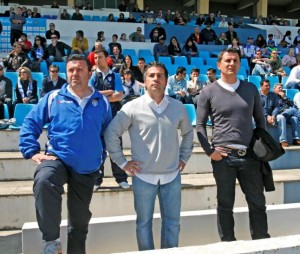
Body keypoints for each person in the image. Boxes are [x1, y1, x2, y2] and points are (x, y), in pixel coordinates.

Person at [19, 54, 111, 254]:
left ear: (89, 72)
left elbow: (107, 133)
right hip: (57, 157)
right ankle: (51, 242)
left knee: (79, 224)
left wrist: (100, 157)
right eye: (70, 70)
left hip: (87, 166)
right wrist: (31, 151)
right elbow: (30, 122)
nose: (74, 74)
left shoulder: (102, 102)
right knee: (44, 180)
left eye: (79, 69)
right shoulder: (53, 98)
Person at [104, 61, 193, 251]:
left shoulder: (178, 107)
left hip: (172, 176)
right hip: (143, 177)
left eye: (160, 75)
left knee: (173, 224)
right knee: (143, 224)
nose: (156, 79)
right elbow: (111, 132)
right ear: (144, 80)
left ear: (166, 80)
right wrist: (122, 162)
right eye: (151, 75)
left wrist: (184, 157)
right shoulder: (132, 107)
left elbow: (188, 133)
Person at [197, 48, 270, 241]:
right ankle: (228, 244)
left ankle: (262, 242)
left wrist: (259, 148)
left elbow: (260, 121)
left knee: (257, 203)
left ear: (240, 64)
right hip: (223, 158)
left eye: (235, 60)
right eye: (227, 60)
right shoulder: (208, 91)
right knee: (225, 204)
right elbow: (200, 125)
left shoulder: (250, 89)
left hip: (250, 157)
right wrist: (209, 151)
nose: (231, 64)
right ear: (219, 64)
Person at [88, 49, 129, 190]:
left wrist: (101, 96)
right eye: (95, 58)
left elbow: (119, 96)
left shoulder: (115, 75)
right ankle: (97, 180)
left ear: (107, 59)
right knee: (97, 149)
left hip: (113, 115)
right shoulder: (93, 76)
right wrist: (109, 92)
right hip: (97, 116)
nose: (97, 60)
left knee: (115, 146)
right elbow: (91, 95)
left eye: (100, 57)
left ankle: (121, 178)